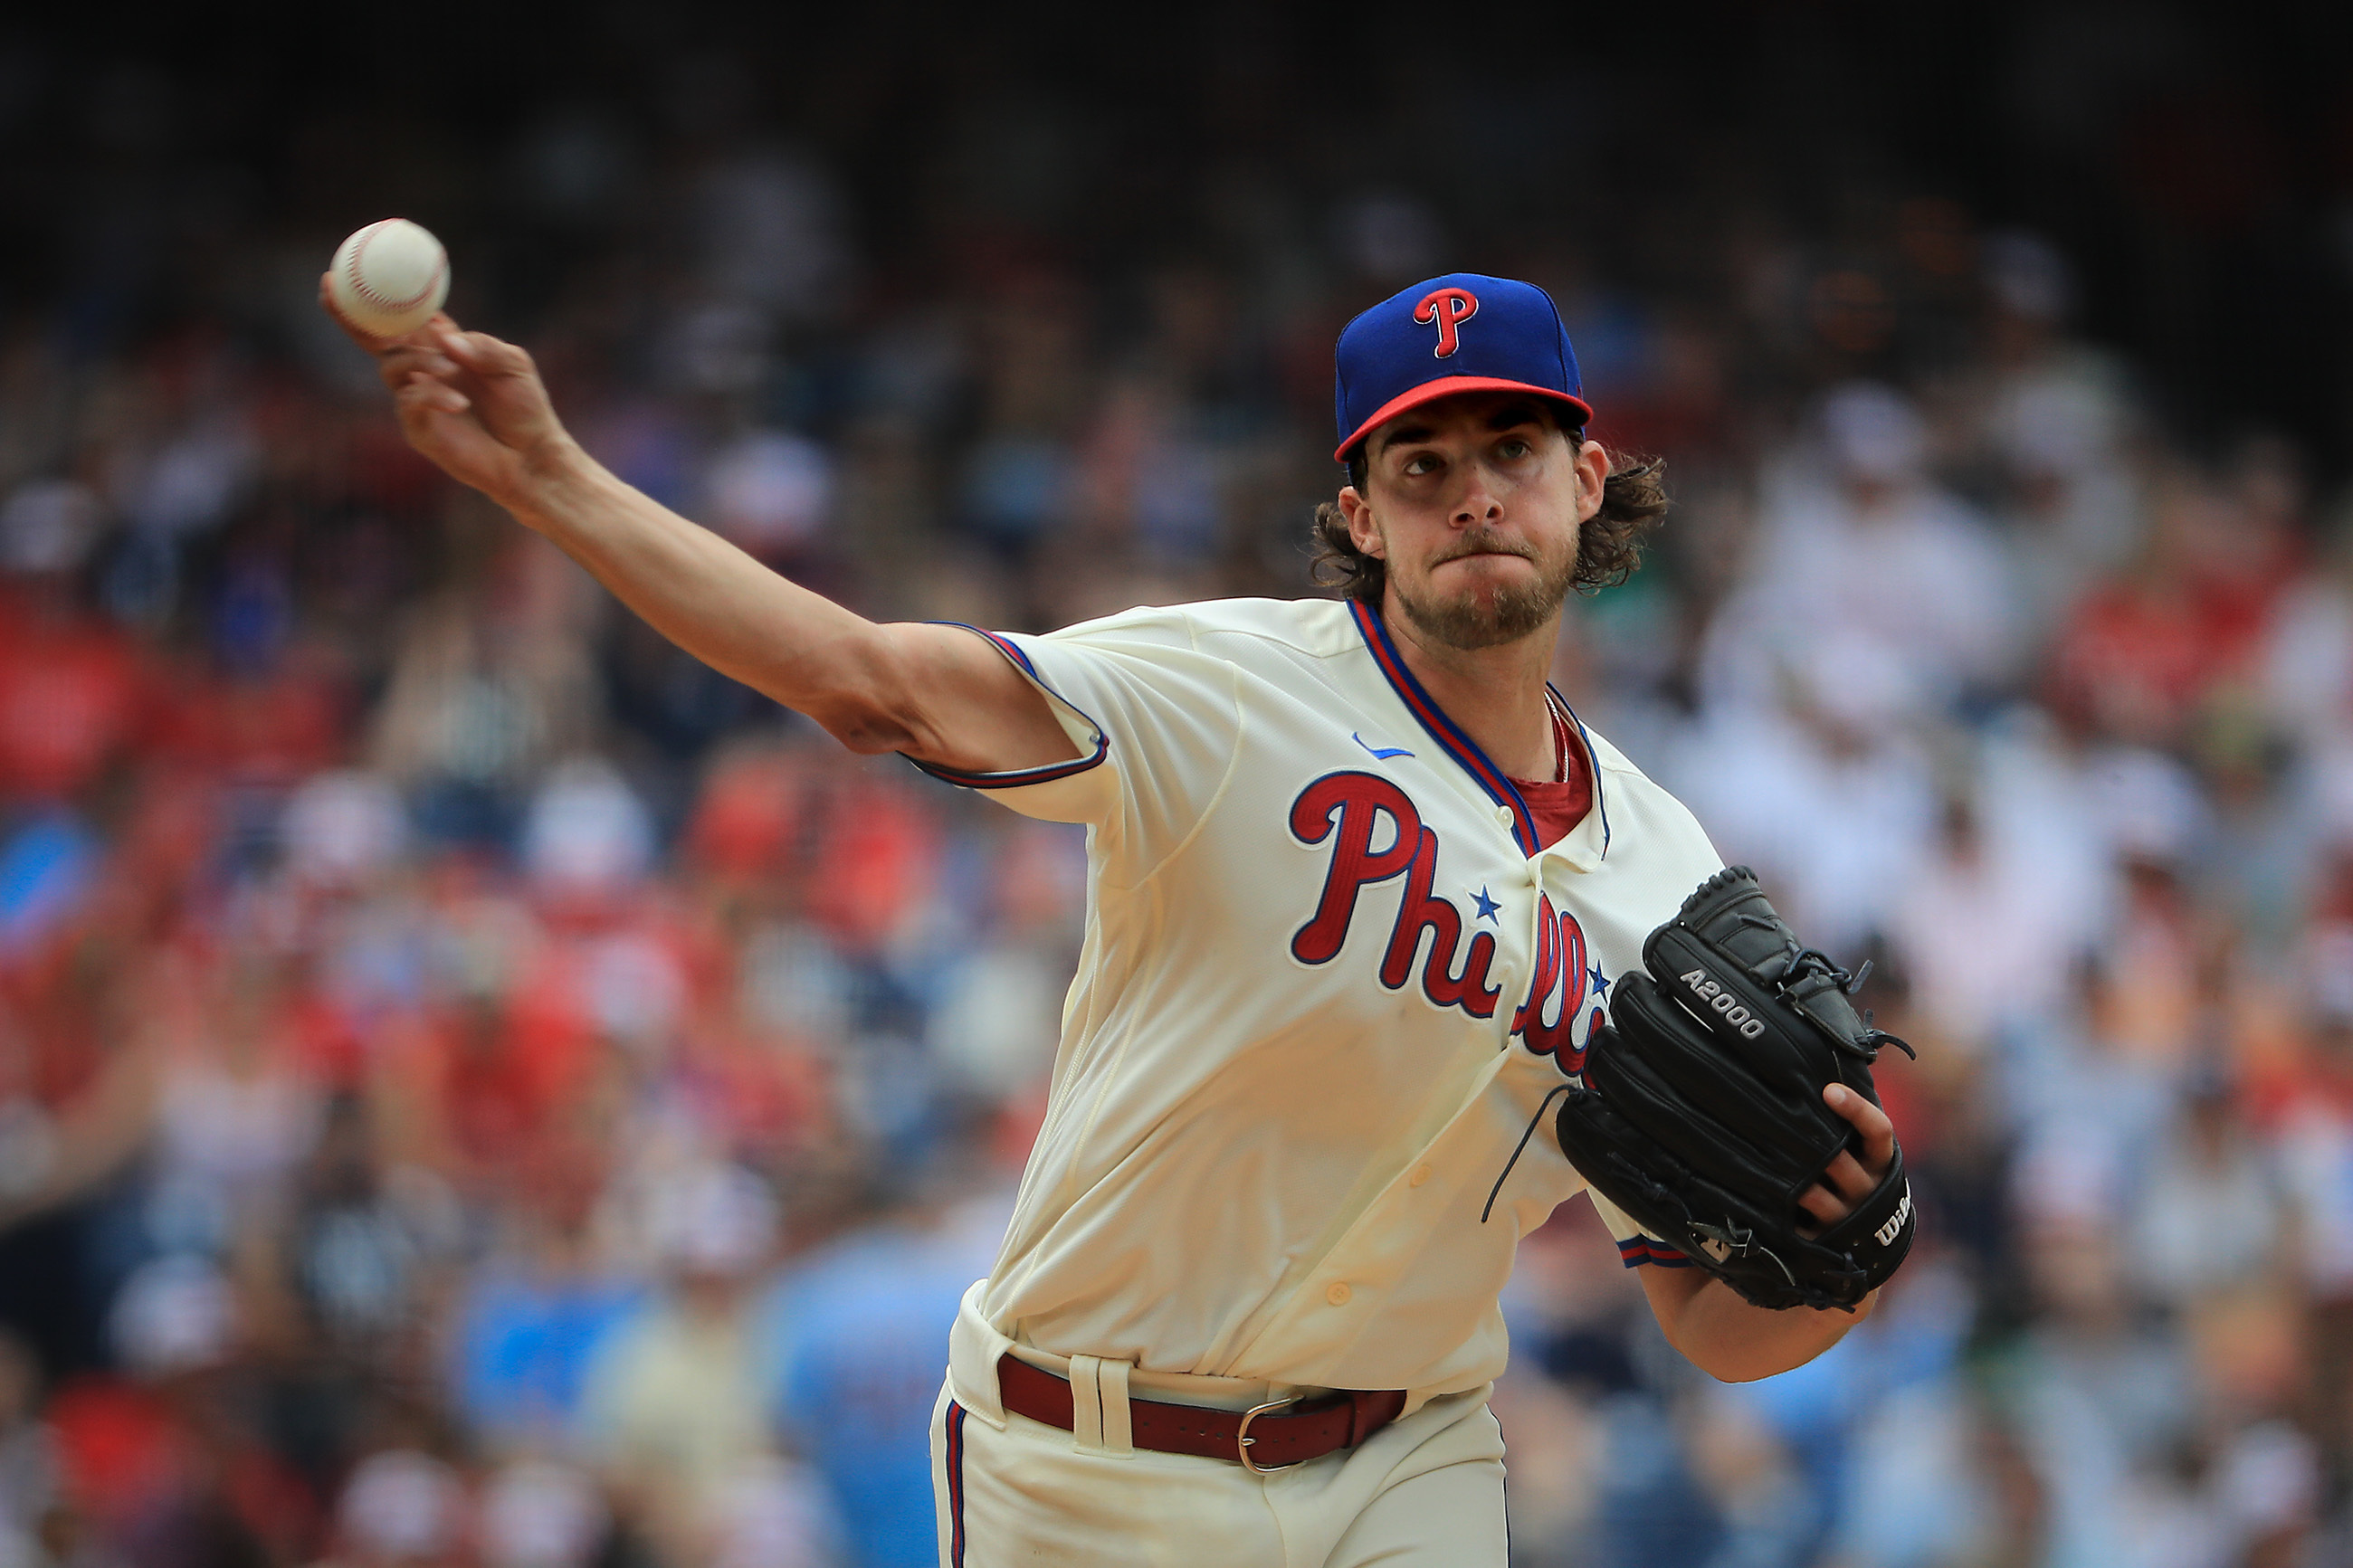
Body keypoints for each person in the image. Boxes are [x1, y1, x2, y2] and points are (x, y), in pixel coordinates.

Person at [325, 269, 1899, 1567]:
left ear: (1588, 481)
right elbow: (868, 683)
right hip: (1090, 1465)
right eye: (1421, 466)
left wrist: (1846, 1263)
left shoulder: (1669, 879)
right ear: (1358, 512)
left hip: (1408, 1459)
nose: (1473, 495)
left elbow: (1702, 1315)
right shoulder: (1225, 691)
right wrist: (551, 476)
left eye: (1512, 451)